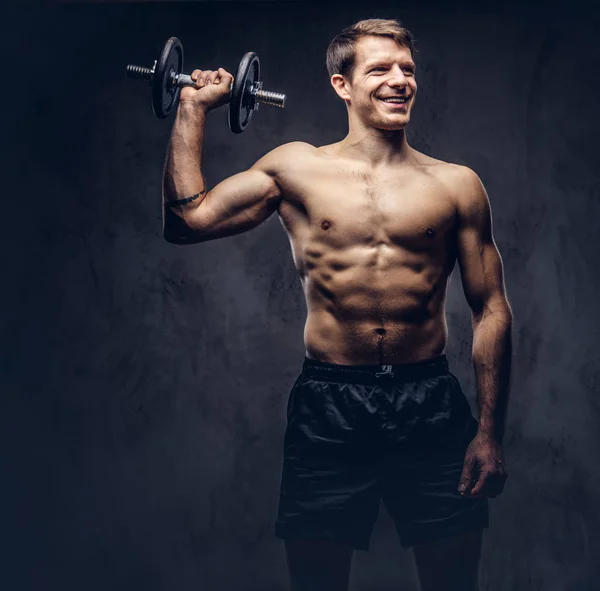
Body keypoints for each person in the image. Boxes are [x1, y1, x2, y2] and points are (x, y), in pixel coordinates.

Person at [162, 17, 512, 591]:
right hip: (329, 406)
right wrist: (192, 108)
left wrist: (490, 433)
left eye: (407, 69)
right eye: (380, 69)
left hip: (429, 405)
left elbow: (491, 308)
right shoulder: (295, 166)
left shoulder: (458, 185)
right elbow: (187, 221)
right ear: (341, 85)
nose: (400, 80)